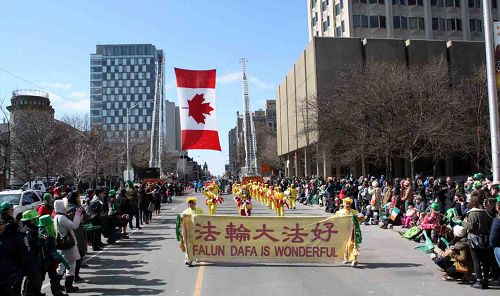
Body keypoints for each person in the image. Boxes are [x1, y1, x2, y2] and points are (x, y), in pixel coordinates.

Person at [0, 211, 39, 296]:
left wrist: (34, 279)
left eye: (1, 223)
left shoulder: (16, 237)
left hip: (11, 280)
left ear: (6, 223)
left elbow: (29, 259)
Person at [463, 190, 493, 289]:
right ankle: (486, 281)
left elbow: (471, 227)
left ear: (473, 203)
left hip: (474, 239)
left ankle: (479, 280)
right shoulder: (488, 212)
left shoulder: (472, 213)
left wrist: (462, 223)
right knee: (486, 261)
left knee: (476, 260)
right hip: (486, 238)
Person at [54, 199, 83, 292]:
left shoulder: (55, 217)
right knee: (71, 265)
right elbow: (74, 225)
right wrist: (77, 215)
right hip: (68, 245)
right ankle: (69, 287)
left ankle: (56, 285)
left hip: (60, 244)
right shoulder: (62, 218)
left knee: (61, 265)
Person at [38, 214, 68, 296]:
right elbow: (52, 251)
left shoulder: (39, 231)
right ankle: (57, 293)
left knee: (40, 278)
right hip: (49, 261)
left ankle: (36, 292)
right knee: (53, 278)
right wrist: (61, 261)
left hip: (41, 260)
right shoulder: (49, 235)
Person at [333, 197, 364, 267]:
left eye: (349, 204)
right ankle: (346, 258)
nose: (348, 205)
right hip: (343, 231)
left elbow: (360, 217)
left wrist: (361, 217)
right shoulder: (341, 212)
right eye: (346, 204)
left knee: (353, 245)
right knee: (345, 245)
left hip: (352, 232)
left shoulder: (353, 212)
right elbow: (335, 219)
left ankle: (354, 260)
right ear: (344, 204)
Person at [20, 209, 43, 296]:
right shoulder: (30, 231)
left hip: (31, 257)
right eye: (35, 219)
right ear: (31, 220)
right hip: (31, 258)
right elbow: (33, 245)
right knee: (33, 277)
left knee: (34, 277)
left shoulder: (26, 229)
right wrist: (41, 241)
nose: (37, 220)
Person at [66, 191, 88, 283]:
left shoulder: (64, 208)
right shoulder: (77, 208)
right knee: (78, 255)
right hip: (77, 234)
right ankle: (75, 276)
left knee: (67, 258)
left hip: (65, 234)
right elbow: (86, 217)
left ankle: (67, 277)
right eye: (78, 197)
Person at [180, 197, 203, 267]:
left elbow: (203, 218)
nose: (190, 204)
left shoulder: (199, 210)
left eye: (192, 203)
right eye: (189, 203)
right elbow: (181, 220)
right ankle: (188, 260)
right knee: (188, 246)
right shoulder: (185, 212)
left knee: (196, 245)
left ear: (194, 203)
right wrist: (182, 217)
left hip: (197, 231)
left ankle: (197, 256)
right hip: (188, 231)